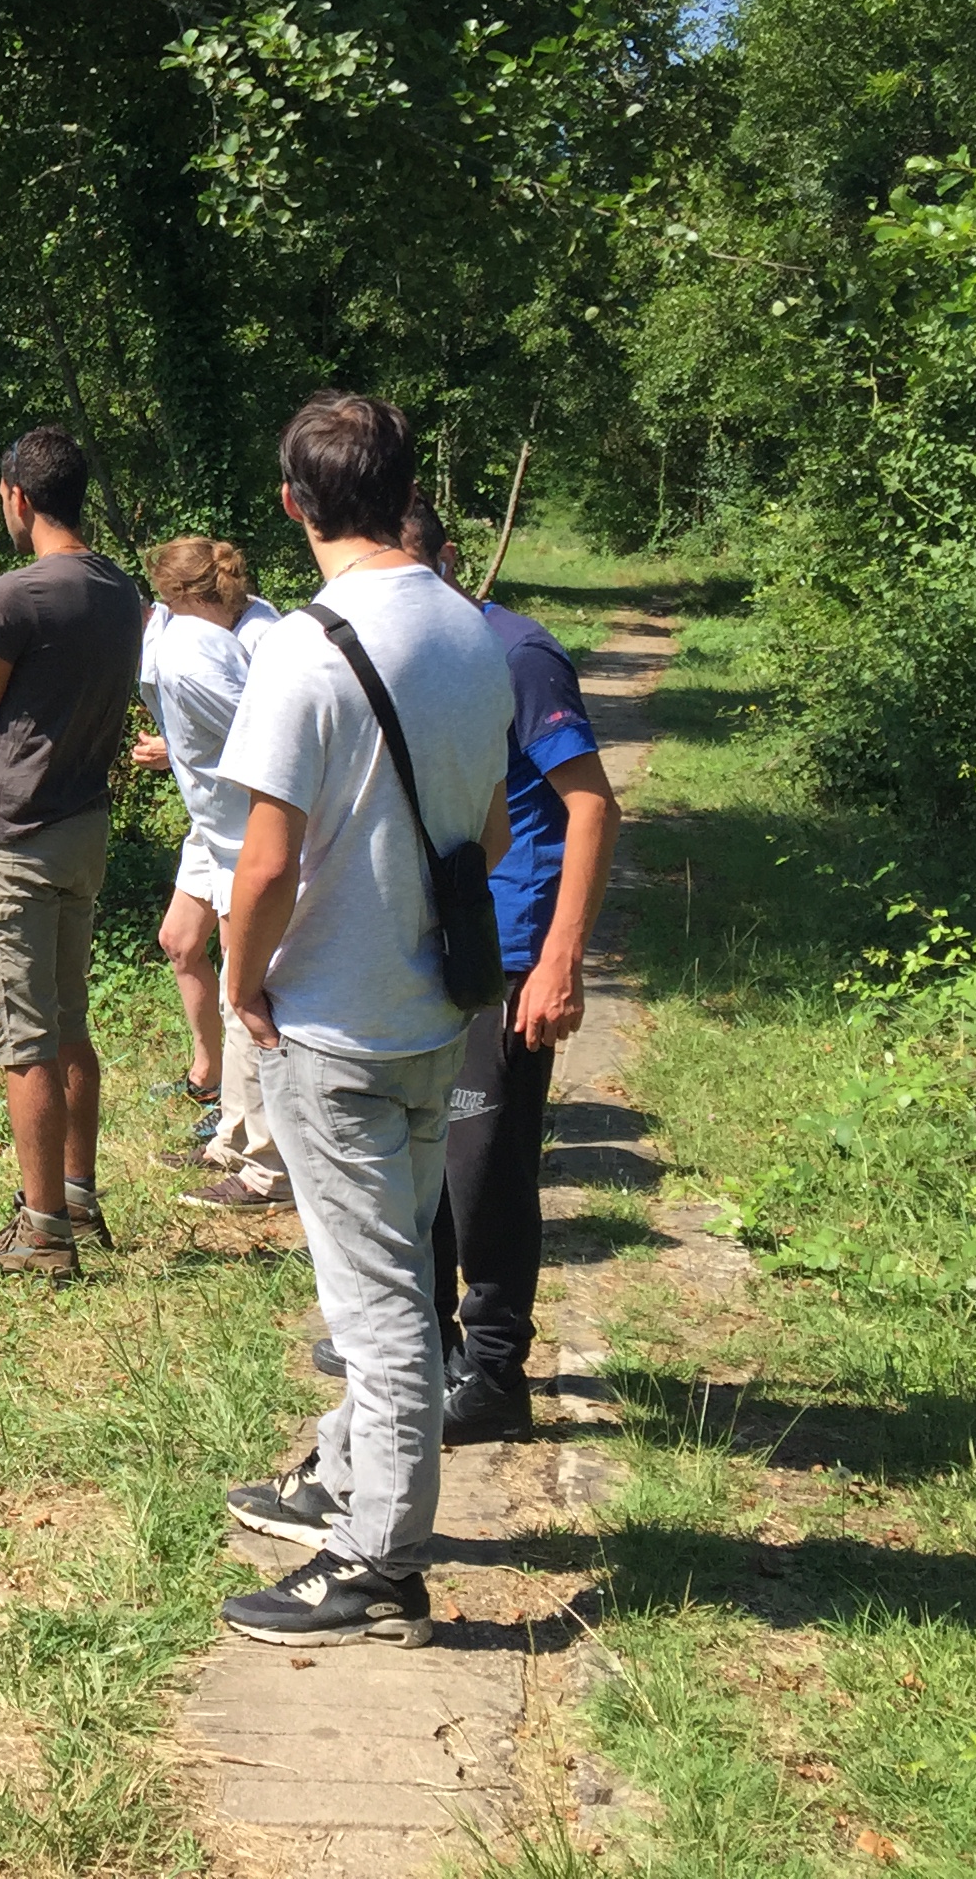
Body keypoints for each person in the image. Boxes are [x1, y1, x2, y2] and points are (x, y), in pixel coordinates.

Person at [210, 394, 511, 1647]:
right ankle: (343, 1473)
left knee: (378, 1306)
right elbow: (490, 828)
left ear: (294, 504)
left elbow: (265, 864)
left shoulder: (305, 650)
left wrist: (241, 984)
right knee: (393, 1267)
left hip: (333, 1025)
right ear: (403, 491)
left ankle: (378, 1563)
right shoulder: (468, 625)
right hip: (434, 1006)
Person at [391, 494, 620, 1443]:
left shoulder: (518, 654)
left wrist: (563, 952)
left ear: (449, 562)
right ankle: (439, 1346)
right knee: (428, 1164)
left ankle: (494, 1371)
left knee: (486, 1162)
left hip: (516, 947)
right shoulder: (416, 656)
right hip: (439, 944)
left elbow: (593, 805)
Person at [0, 425, 145, 1283]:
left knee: (22, 1036)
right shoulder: (123, 591)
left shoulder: (16, 596)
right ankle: (76, 1195)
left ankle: (45, 1231)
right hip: (85, 826)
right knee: (69, 1021)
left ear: (17, 497)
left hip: (15, 840)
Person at [128, 537, 288, 1209]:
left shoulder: (236, 644)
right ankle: (228, 1125)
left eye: (167, 599)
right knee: (179, 941)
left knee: (243, 989)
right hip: (212, 825)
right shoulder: (189, 626)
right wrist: (181, 747)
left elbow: (272, 744)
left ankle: (269, 1170)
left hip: (246, 832)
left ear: (186, 595)